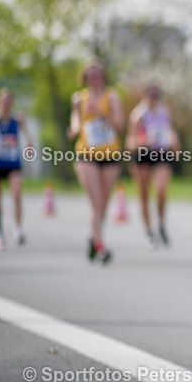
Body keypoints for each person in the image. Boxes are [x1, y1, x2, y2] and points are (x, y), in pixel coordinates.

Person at [67, 61, 124, 264]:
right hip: (86, 155)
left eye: (97, 74)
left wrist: (101, 113)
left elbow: (120, 125)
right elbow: (76, 122)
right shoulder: (78, 98)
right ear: (84, 78)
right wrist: (74, 129)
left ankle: (94, 238)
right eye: (90, 75)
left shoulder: (112, 96)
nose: (94, 78)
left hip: (110, 155)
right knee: (96, 200)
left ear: (103, 76)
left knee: (104, 203)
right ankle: (100, 244)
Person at [126, 85, 181, 248]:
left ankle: (161, 224)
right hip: (142, 155)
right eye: (150, 95)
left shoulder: (165, 112)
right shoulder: (138, 115)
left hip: (161, 154)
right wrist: (144, 141)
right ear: (144, 96)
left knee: (161, 190)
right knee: (144, 194)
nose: (153, 98)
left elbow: (171, 133)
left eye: (156, 95)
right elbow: (130, 143)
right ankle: (149, 231)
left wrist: (175, 143)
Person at [0, 88, 33, 249]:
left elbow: (28, 140)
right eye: (4, 101)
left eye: (9, 101)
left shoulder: (17, 121)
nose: (6, 104)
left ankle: (17, 230)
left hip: (13, 165)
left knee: (17, 195)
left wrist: (29, 146)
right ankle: (0, 233)